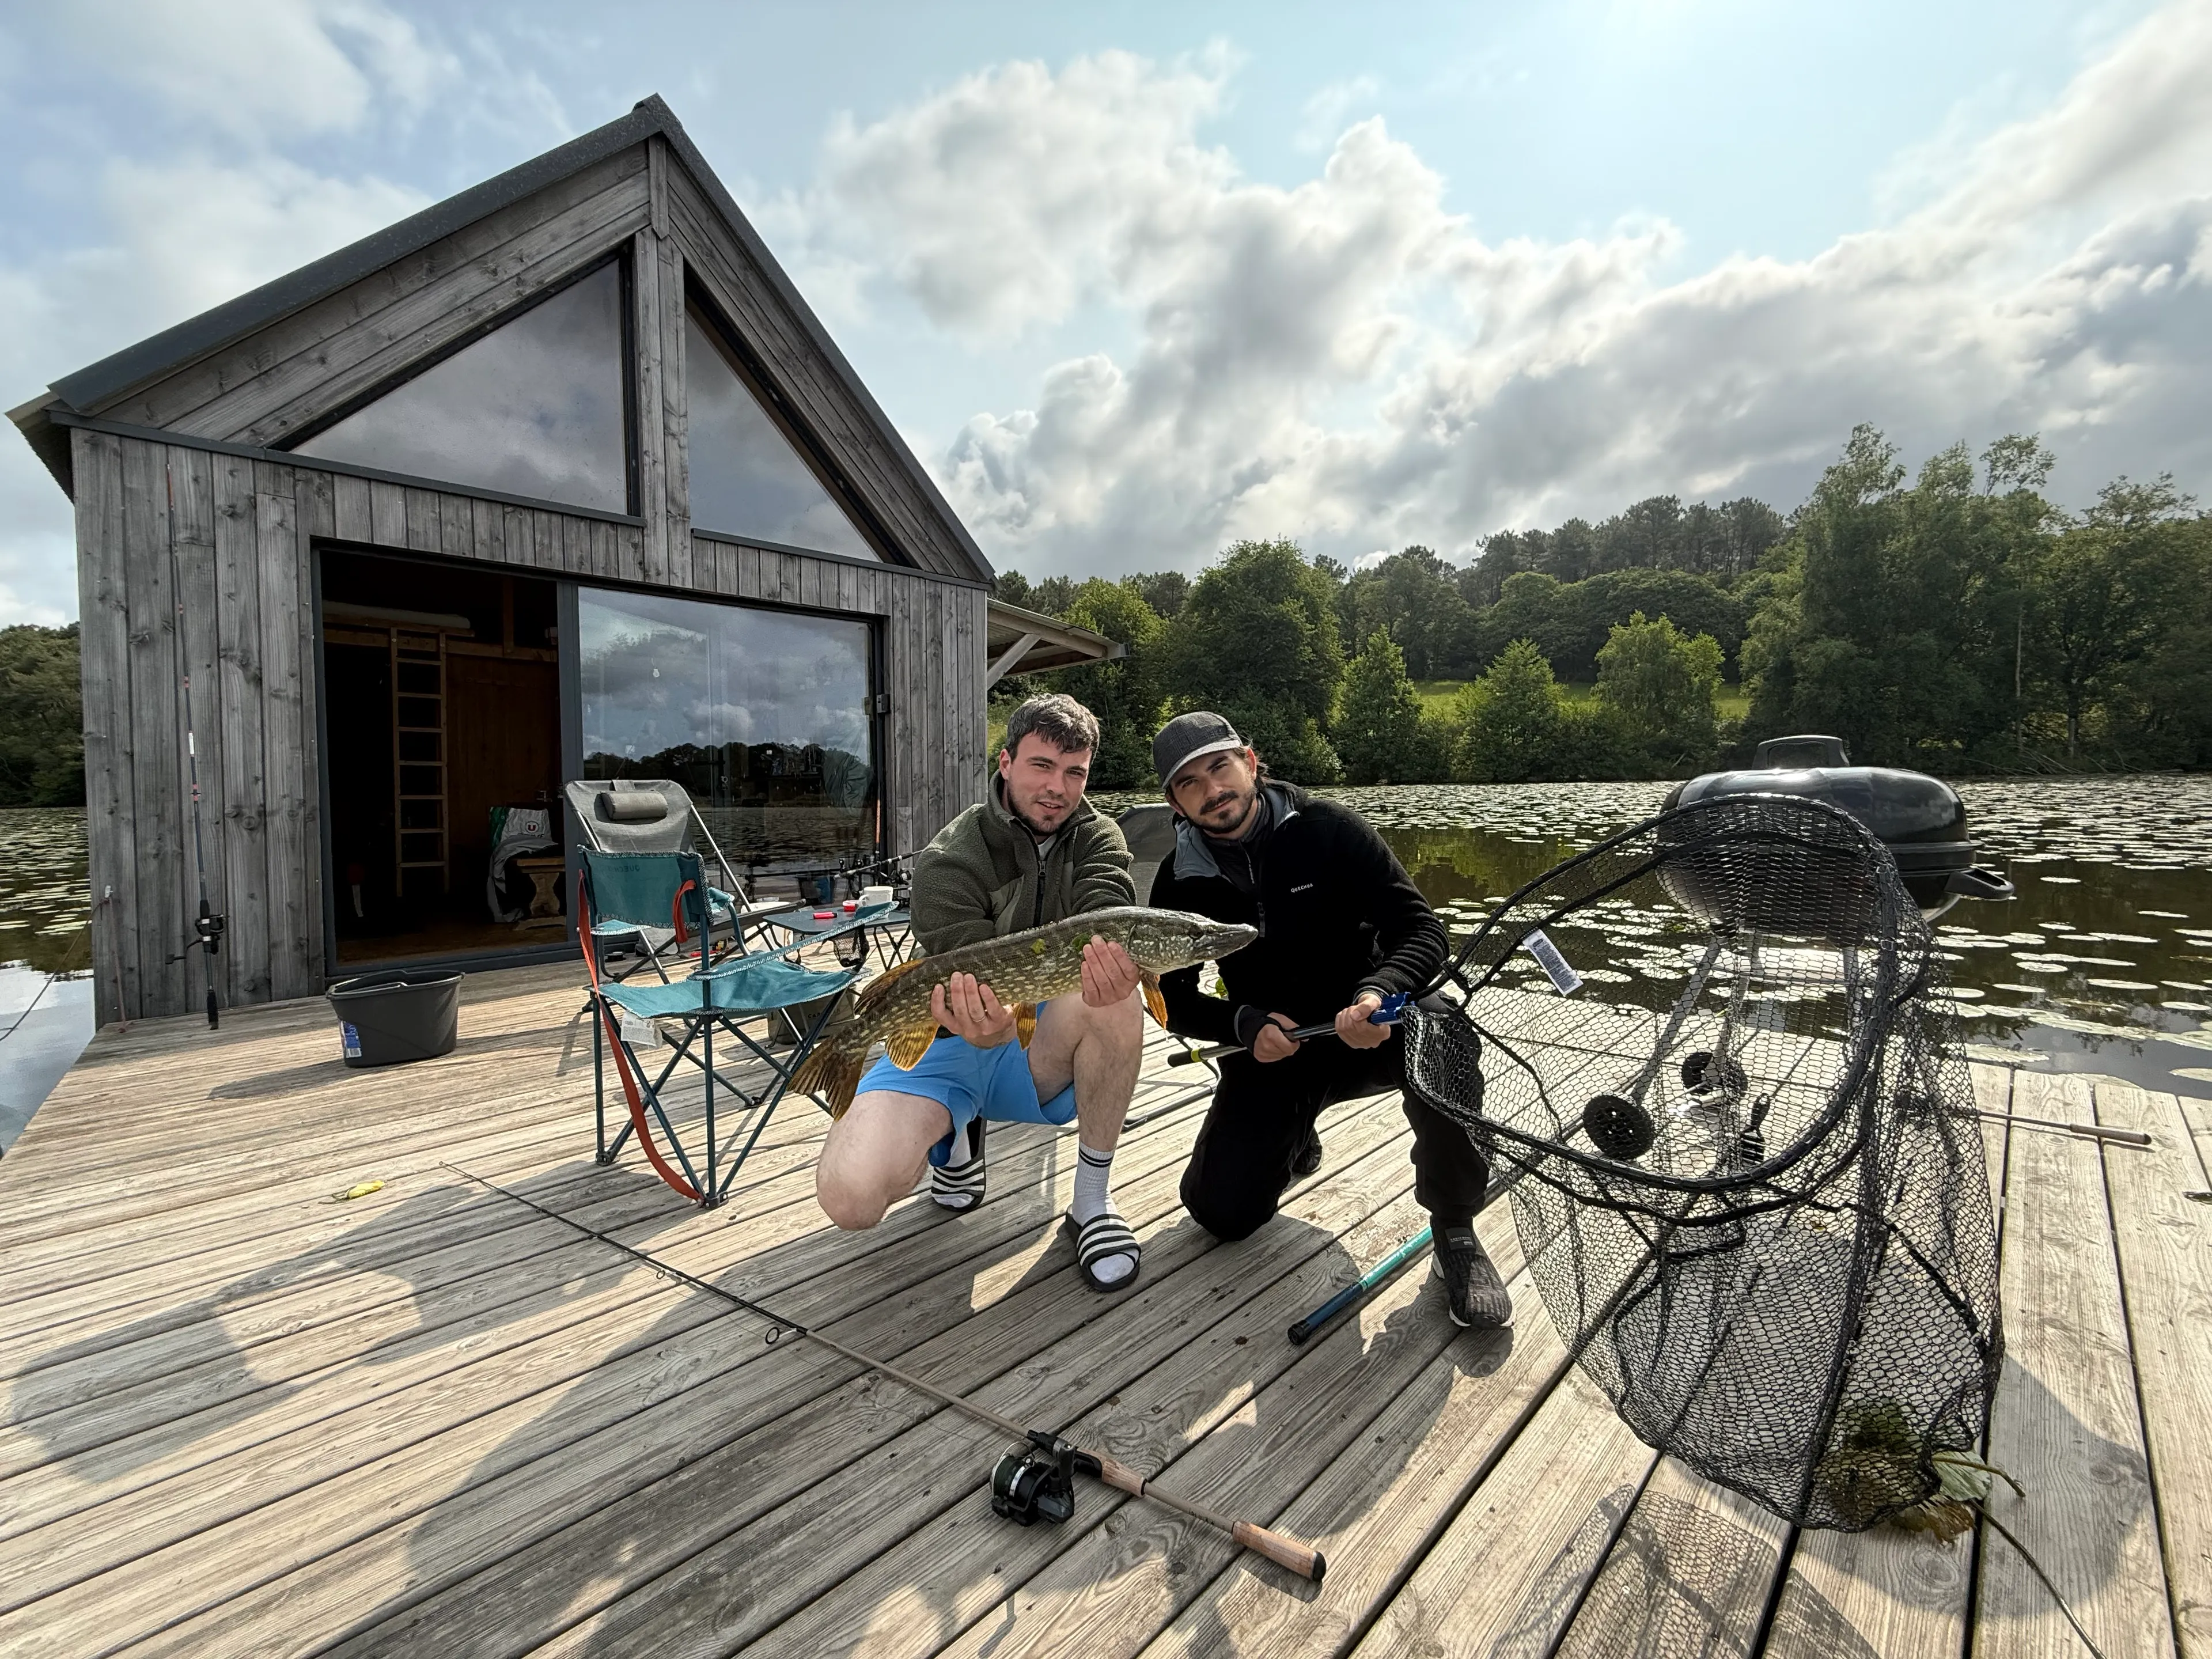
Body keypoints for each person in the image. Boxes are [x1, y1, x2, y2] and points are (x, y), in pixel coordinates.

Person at [1147, 710, 1512, 1328]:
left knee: (1443, 1029)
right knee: (1221, 1215)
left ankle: (1455, 1227)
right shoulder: (1178, 880)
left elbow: (1422, 930)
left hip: (1368, 1028)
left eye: (1220, 767)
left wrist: (1377, 991)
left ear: (1250, 764)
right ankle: (1296, 1132)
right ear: (1175, 803)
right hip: (1274, 1050)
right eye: (1190, 783)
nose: (1212, 790)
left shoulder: (1329, 828)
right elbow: (1170, 999)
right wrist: (1242, 1024)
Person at [815, 693, 1150, 1291]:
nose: (1058, 788)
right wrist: (987, 1023)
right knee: (850, 1197)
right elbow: (964, 982)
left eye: (1075, 772)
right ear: (1006, 762)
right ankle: (956, 1134)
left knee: (1117, 994)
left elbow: (1107, 912)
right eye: (1041, 766)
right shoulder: (951, 857)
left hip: (1036, 1044)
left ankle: (1092, 1202)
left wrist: (1117, 961)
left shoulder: (1100, 837)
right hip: (946, 1036)